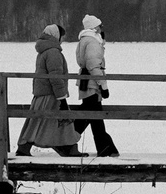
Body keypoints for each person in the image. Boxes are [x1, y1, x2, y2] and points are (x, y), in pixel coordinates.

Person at [14, 24, 83, 158]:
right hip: (52, 95)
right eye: (62, 36)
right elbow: (56, 77)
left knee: (38, 121)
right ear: (56, 36)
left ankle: (25, 147)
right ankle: (69, 148)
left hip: (42, 94)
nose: (63, 39)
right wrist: (62, 98)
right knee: (63, 121)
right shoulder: (53, 53)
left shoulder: (43, 51)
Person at [71, 14, 119, 156]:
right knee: (94, 116)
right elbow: (94, 65)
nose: (101, 28)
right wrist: (103, 86)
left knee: (91, 115)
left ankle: (105, 148)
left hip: (87, 83)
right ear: (93, 27)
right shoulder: (92, 42)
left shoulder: (85, 40)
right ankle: (104, 148)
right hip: (92, 85)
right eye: (99, 26)